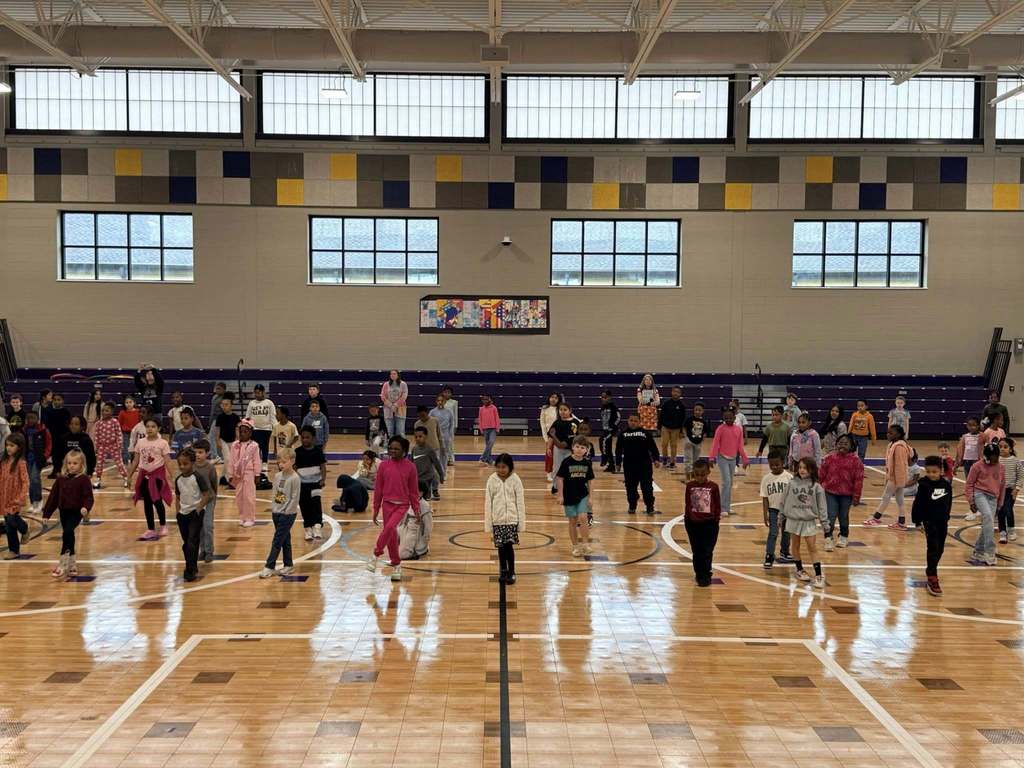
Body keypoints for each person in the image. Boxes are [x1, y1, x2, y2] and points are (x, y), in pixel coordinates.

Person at [368, 436, 420, 582]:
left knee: (390, 528)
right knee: (391, 536)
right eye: (390, 448)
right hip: (387, 504)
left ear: (404, 451)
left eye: (397, 449)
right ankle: (396, 565)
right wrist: (376, 508)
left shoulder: (411, 467)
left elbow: (413, 492)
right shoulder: (384, 466)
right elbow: (378, 489)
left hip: (402, 505)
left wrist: (416, 510)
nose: (393, 451)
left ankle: (375, 555)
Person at [42, 448, 93, 579]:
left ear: (81, 464)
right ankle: (73, 564)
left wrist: (86, 508)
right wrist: (47, 514)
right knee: (69, 535)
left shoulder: (84, 479)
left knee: (67, 532)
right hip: (64, 511)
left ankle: (62, 564)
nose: (71, 466)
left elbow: (89, 497)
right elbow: (53, 497)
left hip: (77, 512)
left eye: (75, 463)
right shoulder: (61, 479)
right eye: (69, 463)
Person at [780, 457, 828, 589]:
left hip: (809, 521)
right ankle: (799, 569)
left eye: (805, 468)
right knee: (795, 545)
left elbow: (822, 506)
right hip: (793, 519)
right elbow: (783, 501)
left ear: (812, 470)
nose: (802, 470)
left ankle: (818, 575)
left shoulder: (817, 487)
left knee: (812, 547)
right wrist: (781, 516)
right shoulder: (791, 483)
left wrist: (825, 524)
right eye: (800, 467)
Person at [911, 455, 953, 596]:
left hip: (942, 522)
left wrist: (947, 516)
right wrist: (917, 521)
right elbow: (917, 504)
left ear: (941, 471)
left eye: (934, 472)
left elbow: (948, 503)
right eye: (928, 472)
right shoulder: (924, 485)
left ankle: (931, 569)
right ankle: (932, 575)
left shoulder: (946, 485)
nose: (931, 474)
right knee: (933, 547)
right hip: (930, 522)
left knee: (940, 549)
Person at [259, 446, 301, 578]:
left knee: (277, 540)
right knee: (284, 539)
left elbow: (294, 498)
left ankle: (269, 566)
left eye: (284, 462)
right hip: (276, 512)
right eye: (279, 462)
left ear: (292, 461)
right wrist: (274, 508)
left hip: (288, 514)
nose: (281, 465)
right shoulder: (277, 476)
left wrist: (286, 511)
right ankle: (288, 565)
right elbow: (275, 494)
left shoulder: (295, 478)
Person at [128, 417, 172, 540]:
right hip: (144, 476)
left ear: (158, 429)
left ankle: (163, 525)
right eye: (148, 426)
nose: (150, 429)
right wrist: (129, 476)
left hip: (157, 476)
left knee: (157, 501)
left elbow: (168, 461)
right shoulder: (140, 442)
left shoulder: (163, 443)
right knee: (147, 502)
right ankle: (151, 529)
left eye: (153, 426)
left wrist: (172, 476)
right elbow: (136, 460)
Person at [484, 453, 526, 584]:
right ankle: (503, 570)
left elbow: (520, 502)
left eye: (504, 467)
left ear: (510, 467)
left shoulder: (516, 480)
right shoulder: (491, 480)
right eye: (499, 467)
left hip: (512, 520)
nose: (501, 470)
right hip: (498, 520)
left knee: (509, 546)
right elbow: (488, 502)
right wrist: (489, 522)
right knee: (501, 547)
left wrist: (521, 522)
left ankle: (512, 571)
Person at [174, 447, 213, 582]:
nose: (182, 466)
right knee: (187, 543)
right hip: (182, 515)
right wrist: (178, 512)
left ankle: (189, 569)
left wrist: (199, 508)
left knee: (192, 541)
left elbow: (207, 494)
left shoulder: (197, 477)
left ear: (192, 463)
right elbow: (178, 496)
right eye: (180, 464)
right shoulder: (178, 479)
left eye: (185, 464)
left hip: (195, 514)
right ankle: (192, 565)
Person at [819, 434, 863, 551]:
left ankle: (843, 536)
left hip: (846, 495)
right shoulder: (829, 458)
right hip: (830, 492)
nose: (842, 445)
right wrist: (817, 489)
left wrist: (856, 496)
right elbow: (821, 475)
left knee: (843, 517)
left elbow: (858, 480)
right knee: (830, 516)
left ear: (852, 446)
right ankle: (828, 538)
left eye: (845, 443)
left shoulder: (856, 461)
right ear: (836, 444)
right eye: (840, 443)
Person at [864, 425, 912, 529]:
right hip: (897, 477)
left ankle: (876, 517)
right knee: (900, 499)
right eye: (888, 432)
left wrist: (897, 480)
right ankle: (902, 522)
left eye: (891, 433)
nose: (888, 435)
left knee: (886, 496)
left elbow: (900, 465)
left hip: (896, 477)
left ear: (898, 434)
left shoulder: (899, 447)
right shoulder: (892, 444)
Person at [966, 442, 1005, 567]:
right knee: (988, 517)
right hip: (979, 493)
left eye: (996, 457)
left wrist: (1000, 503)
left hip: (993, 497)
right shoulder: (977, 466)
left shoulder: (1001, 467)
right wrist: (971, 501)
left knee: (987, 524)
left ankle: (978, 550)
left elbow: (1002, 486)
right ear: (986, 456)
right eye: (992, 457)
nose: (995, 460)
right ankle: (990, 551)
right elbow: (969, 484)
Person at [684, 458, 721, 587]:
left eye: (702, 474)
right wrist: (689, 518)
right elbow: (687, 504)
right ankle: (699, 573)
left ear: (708, 472)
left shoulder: (713, 487)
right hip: (693, 523)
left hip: (709, 524)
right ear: (693, 474)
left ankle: (706, 572)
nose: (700, 477)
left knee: (707, 549)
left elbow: (717, 505)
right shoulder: (690, 486)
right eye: (697, 474)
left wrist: (715, 520)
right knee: (697, 550)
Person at [615, 413, 661, 516]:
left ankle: (650, 507)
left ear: (640, 422)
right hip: (629, 466)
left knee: (647, 487)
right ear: (628, 421)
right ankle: (632, 505)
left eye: (636, 421)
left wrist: (656, 459)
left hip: (645, 465)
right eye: (631, 420)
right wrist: (618, 463)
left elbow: (653, 448)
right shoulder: (623, 434)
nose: (633, 423)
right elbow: (618, 450)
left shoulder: (645, 433)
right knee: (630, 487)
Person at [557, 436, 594, 558]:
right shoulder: (566, 462)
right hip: (569, 496)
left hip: (582, 495)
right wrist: (560, 495)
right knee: (572, 521)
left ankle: (585, 544)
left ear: (586, 450)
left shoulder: (587, 463)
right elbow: (560, 478)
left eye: (582, 447)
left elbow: (590, 481)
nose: (579, 449)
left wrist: (591, 497)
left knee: (583, 517)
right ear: (572, 447)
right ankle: (575, 546)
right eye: (577, 446)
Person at [709, 408, 749, 518]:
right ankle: (723, 508)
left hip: (733, 458)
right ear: (723, 418)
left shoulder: (738, 429)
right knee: (726, 482)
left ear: (734, 418)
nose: (728, 419)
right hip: (722, 458)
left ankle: (727, 505)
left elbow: (740, 446)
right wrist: (711, 457)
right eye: (726, 418)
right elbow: (715, 444)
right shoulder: (720, 429)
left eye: (730, 417)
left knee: (730, 483)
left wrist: (745, 459)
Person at [760, 449, 793, 569]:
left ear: (783, 462)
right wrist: (765, 514)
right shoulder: (766, 479)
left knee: (786, 532)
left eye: (777, 464)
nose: (774, 467)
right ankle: (769, 555)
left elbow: (793, 496)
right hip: (773, 510)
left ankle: (785, 551)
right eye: (771, 465)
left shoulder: (789, 477)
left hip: (786, 510)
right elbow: (764, 498)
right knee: (773, 533)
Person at [294, 426, 327, 541]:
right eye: (302, 438)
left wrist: (323, 479)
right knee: (304, 506)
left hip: (315, 483)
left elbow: (323, 466)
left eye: (307, 437)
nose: (305, 440)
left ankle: (317, 526)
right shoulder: (297, 452)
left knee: (316, 504)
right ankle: (308, 528)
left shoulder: (318, 451)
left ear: (313, 438)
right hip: (302, 484)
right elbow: (294, 468)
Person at [0, 433, 29, 560]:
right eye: (7, 445)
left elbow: (25, 481)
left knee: (12, 519)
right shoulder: (4, 461)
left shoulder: (21, 463)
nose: (8, 448)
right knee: (8, 525)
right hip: (4, 497)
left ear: (19, 447)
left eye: (12, 445)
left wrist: (22, 497)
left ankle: (24, 528)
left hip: (15, 497)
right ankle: (14, 550)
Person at [229, 419, 261, 527]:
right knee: (239, 497)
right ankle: (242, 516)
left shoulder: (254, 446)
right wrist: (230, 474)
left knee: (249, 497)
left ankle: (250, 518)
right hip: (238, 475)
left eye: (245, 432)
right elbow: (231, 460)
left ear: (250, 433)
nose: (242, 434)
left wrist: (257, 474)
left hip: (249, 473)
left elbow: (257, 461)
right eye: (241, 431)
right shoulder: (234, 445)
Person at [245, 384, 276, 487]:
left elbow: (272, 417)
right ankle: (256, 463)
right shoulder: (251, 403)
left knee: (264, 446)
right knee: (256, 448)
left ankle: (265, 463)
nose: (257, 394)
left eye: (259, 392)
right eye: (256, 392)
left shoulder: (269, 403)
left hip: (266, 428)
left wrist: (276, 427)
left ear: (263, 392)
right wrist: (247, 426)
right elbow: (248, 417)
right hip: (255, 429)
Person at [192, 439, 218, 564]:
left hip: (209, 500)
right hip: (197, 501)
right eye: (195, 452)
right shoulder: (191, 467)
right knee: (199, 526)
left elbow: (214, 484)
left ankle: (209, 551)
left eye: (200, 452)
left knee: (207, 526)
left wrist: (213, 498)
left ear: (207, 453)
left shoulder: (210, 467)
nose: (197, 455)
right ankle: (202, 550)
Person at [94, 402, 129, 489]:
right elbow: (97, 435)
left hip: (114, 446)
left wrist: (119, 444)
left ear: (111, 412)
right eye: (103, 411)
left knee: (119, 463)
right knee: (99, 463)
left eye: (107, 410)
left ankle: (126, 478)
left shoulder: (115, 421)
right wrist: (97, 447)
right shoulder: (99, 423)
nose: (104, 412)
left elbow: (119, 434)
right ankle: (98, 479)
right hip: (102, 446)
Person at [548, 402, 581, 494]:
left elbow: (580, 436)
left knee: (570, 468)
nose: (562, 412)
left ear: (570, 411)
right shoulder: (557, 423)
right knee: (557, 467)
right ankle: (555, 486)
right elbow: (551, 436)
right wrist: (548, 448)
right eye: (560, 410)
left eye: (565, 410)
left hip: (571, 450)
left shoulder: (575, 422)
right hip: (558, 450)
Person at [22, 411, 51, 513]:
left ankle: (39, 500)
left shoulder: (43, 430)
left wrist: (45, 456)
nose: (30, 420)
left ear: (37, 419)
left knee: (35, 478)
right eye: (28, 418)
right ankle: (32, 502)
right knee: (30, 481)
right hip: (27, 458)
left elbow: (48, 444)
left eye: (33, 418)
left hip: (38, 458)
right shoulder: (24, 431)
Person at [53, 415, 96, 482]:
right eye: (71, 424)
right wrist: (57, 470)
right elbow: (57, 456)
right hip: (66, 471)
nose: (73, 426)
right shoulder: (63, 438)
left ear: (82, 426)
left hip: (82, 472)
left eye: (76, 424)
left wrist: (90, 472)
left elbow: (91, 457)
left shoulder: (86, 439)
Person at [399, 482, 433, 561]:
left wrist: (423, 542)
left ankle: (416, 551)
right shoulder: (407, 501)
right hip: (404, 528)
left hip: (415, 532)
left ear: (421, 493)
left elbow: (428, 527)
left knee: (402, 555)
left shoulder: (424, 506)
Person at [997, 438, 1022, 544]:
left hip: (1010, 490)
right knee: (1000, 511)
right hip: (998, 490)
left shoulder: (1016, 461)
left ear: (1011, 449)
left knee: (1008, 509)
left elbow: (1021, 476)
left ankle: (1011, 529)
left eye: (1005, 447)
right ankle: (1002, 531)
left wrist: (1017, 489)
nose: (1002, 449)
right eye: (1000, 447)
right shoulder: (996, 460)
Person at [411, 426, 444, 501]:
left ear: (426, 436)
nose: (418, 439)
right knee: (417, 498)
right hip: (417, 478)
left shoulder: (430, 450)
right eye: (416, 437)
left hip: (427, 478)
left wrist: (441, 475)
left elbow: (437, 463)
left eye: (420, 436)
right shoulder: (414, 449)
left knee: (425, 498)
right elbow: (411, 464)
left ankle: (427, 509)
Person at [213, 393, 240, 486]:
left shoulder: (236, 417)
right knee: (228, 459)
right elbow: (217, 431)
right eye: (222, 405)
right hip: (223, 441)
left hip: (233, 441)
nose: (224, 407)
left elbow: (237, 430)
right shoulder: (220, 417)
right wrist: (217, 441)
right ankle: (230, 480)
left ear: (231, 405)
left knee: (231, 460)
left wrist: (238, 441)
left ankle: (222, 477)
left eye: (226, 405)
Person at [658, 387, 685, 470]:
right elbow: (661, 416)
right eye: (674, 391)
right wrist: (659, 427)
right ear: (671, 392)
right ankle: (665, 459)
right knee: (664, 444)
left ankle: (673, 461)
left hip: (676, 428)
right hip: (665, 427)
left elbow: (682, 419)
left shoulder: (682, 406)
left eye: (678, 392)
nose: (676, 393)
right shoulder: (666, 403)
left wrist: (681, 431)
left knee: (674, 445)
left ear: (680, 394)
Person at [956, 417, 983, 492]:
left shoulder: (982, 436)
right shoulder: (965, 436)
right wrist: (957, 463)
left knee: (977, 479)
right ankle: (970, 492)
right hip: (967, 461)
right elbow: (960, 449)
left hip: (977, 462)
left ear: (978, 426)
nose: (972, 427)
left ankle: (977, 491)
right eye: (969, 425)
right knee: (968, 479)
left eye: (974, 425)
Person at [682, 402, 708, 480]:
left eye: (699, 410)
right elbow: (684, 427)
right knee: (688, 459)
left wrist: (702, 439)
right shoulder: (689, 419)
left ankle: (694, 476)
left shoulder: (704, 421)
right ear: (693, 410)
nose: (697, 412)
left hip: (698, 443)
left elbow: (705, 432)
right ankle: (687, 477)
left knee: (696, 460)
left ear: (703, 411)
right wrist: (686, 437)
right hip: (689, 442)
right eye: (696, 410)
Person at [380, 370, 409, 438]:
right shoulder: (386, 384)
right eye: (391, 374)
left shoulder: (403, 384)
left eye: (394, 374)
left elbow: (404, 396)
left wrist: (396, 405)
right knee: (389, 430)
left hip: (400, 409)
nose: (392, 375)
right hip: (388, 409)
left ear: (398, 375)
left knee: (400, 430)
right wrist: (390, 405)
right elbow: (383, 396)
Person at [541, 392, 562, 481]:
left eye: (556, 398)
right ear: (549, 398)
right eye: (552, 397)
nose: (553, 399)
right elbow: (542, 423)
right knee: (549, 455)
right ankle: (549, 473)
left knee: (559, 455)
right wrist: (545, 437)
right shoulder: (544, 409)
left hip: (560, 436)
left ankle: (557, 472)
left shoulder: (560, 409)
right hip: (549, 437)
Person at [598, 391, 620, 474]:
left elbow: (618, 417)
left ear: (610, 397)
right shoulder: (603, 407)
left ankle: (604, 457)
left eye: (605, 397)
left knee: (602, 440)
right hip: (605, 429)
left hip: (611, 430)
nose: (603, 399)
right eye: (602, 397)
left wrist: (613, 426)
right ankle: (611, 465)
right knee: (608, 448)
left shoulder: (613, 407)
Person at [429, 395, 453, 469]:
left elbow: (451, 425)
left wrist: (450, 436)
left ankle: (443, 471)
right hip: (435, 436)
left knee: (444, 454)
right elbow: (429, 424)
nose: (440, 402)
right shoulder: (432, 412)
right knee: (435, 454)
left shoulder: (449, 412)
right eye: (438, 401)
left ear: (445, 402)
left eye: (442, 401)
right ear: (436, 402)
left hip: (445, 436)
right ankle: (435, 472)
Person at [117, 395, 141, 466]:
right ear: (124, 403)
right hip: (125, 433)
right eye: (126, 402)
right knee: (125, 448)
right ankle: (125, 463)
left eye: (130, 402)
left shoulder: (138, 412)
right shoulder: (122, 412)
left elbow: (140, 422)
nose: (128, 404)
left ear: (134, 403)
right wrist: (119, 433)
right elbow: (119, 423)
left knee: (136, 448)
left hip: (135, 433)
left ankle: (134, 463)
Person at [478, 394, 501, 466]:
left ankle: (482, 459)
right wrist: (481, 429)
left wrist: (497, 428)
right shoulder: (481, 409)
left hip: (493, 429)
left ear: (489, 400)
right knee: (488, 445)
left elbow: (497, 418)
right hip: (485, 429)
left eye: (486, 399)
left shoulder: (494, 408)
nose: (484, 401)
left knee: (490, 443)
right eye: (483, 399)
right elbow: (480, 419)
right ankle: (489, 460)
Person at [207, 382, 227, 462]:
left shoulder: (224, 399)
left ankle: (215, 456)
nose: (217, 390)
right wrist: (210, 421)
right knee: (215, 438)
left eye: (219, 389)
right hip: (213, 419)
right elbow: (212, 411)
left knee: (211, 437)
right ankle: (220, 457)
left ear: (224, 390)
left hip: (220, 420)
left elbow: (225, 411)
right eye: (216, 388)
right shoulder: (214, 397)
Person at [441, 386, 459, 467]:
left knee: (450, 443)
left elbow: (455, 415)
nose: (447, 394)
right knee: (442, 443)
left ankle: (451, 459)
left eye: (449, 392)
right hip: (442, 425)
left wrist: (455, 426)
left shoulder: (454, 402)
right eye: (445, 392)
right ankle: (444, 459)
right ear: (443, 393)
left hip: (450, 426)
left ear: (451, 394)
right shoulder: (440, 401)